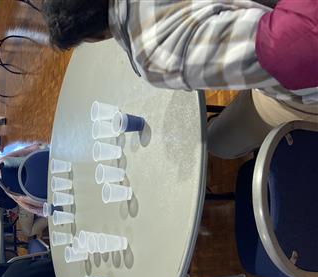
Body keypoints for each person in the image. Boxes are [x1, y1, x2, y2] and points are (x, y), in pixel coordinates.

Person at [41, 0, 318, 159]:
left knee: (220, 142)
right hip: (281, 28)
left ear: (94, 37)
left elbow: (286, 51)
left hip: (303, 79)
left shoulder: (154, 55)